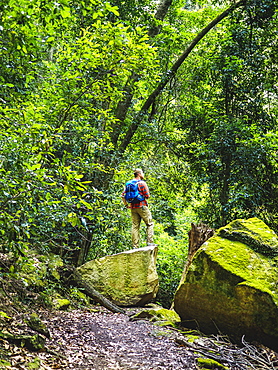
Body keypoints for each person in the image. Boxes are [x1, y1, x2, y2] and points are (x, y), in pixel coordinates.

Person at [122, 169, 154, 248]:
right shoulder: (142, 183)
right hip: (142, 206)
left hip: (133, 207)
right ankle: (150, 242)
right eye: (142, 173)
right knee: (150, 223)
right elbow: (147, 196)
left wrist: (126, 205)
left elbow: (123, 196)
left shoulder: (128, 183)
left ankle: (135, 246)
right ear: (139, 174)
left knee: (135, 226)